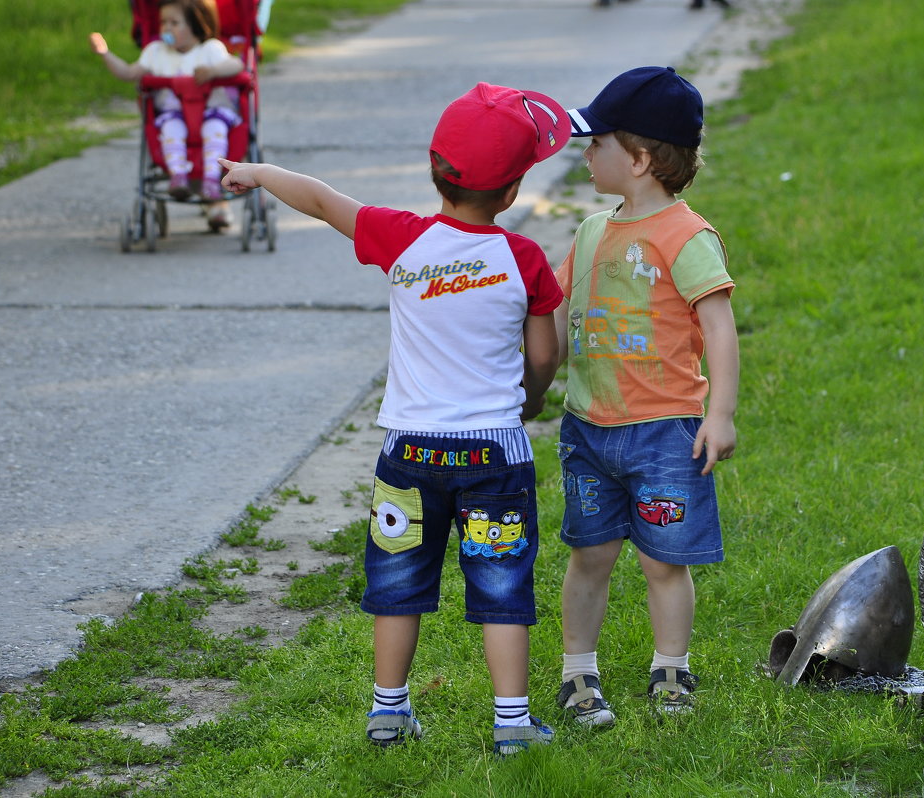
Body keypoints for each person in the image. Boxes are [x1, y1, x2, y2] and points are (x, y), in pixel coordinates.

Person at [220, 81, 569, 755]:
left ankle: (388, 712)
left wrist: (257, 172)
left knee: (398, 585)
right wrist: (529, 399)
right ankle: (513, 722)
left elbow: (320, 200)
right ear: (511, 191)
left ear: (435, 171)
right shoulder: (522, 258)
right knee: (501, 585)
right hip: (493, 454)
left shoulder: (402, 240)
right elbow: (546, 351)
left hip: (408, 451)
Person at [552, 66, 739, 727]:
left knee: (665, 561)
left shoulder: (687, 236)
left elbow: (718, 326)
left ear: (636, 158)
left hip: (665, 429)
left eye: (595, 141)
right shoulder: (590, 232)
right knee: (591, 555)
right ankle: (579, 675)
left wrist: (718, 415)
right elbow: (558, 308)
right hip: (590, 428)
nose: (584, 153)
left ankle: (671, 668)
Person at [89, 0, 243, 230]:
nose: (166, 29)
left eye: (174, 23)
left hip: (211, 112)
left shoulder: (210, 49)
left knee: (216, 131)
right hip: (174, 114)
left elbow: (236, 66)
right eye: (163, 23)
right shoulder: (156, 52)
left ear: (195, 26)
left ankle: (212, 180)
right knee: (171, 129)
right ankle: (178, 176)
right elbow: (129, 73)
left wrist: (213, 72)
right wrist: (105, 53)